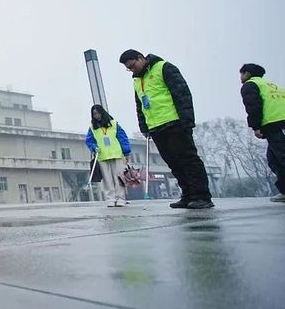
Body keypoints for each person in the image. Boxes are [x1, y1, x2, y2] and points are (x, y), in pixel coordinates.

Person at [119, 50, 214, 209]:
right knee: (173, 163)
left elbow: (182, 94)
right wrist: (144, 126)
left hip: (175, 123)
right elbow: (140, 105)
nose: (132, 69)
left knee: (188, 160)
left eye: (133, 65)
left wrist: (187, 120)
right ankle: (187, 195)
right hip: (156, 127)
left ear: (140, 58)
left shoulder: (164, 68)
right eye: (129, 68)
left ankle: (201, 196)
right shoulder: (137, 80)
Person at [239, 63, 285, 203]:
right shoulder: (271, 85)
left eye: (241, 73)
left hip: (273, 122)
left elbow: (253, 106)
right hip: (280, 121)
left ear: (247, 73)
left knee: (281, 156)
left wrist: (256, 126)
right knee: (274, 158)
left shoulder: (250, 85)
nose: (240, 77)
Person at [85, 105, 132, 207]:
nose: (96, 116)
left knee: (119, 177)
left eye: (98, 113)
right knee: (107, 179)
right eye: (94, 114)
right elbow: (89, 140)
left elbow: (122, 137)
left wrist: (126, 152)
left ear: (102, 112)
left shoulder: (114, 124)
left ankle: (121, 198)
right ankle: (111, 198)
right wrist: (94, 147)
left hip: (117, 154)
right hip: (102, 156)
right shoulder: (92, 128)